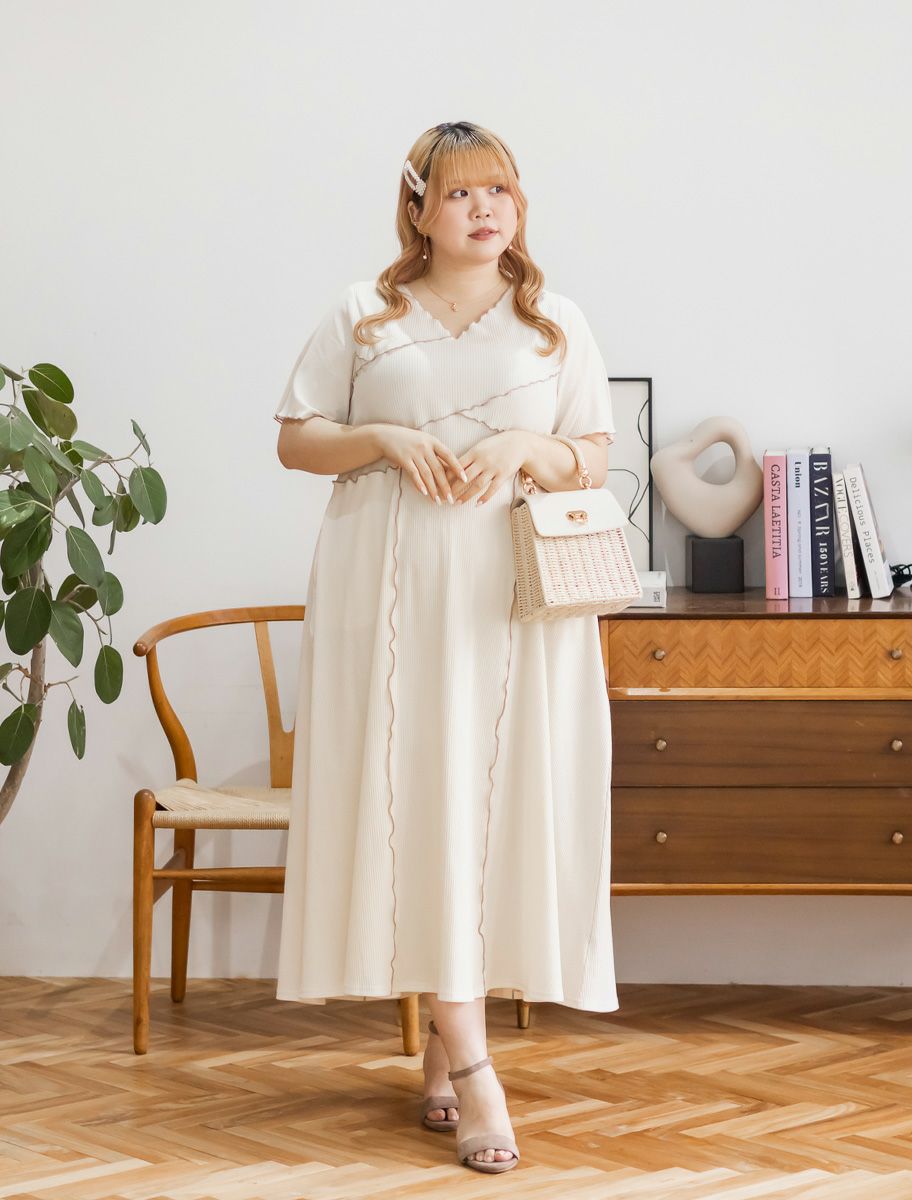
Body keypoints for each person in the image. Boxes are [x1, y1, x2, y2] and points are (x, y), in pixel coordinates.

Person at [272, 120, 619, 1175]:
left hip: (509, 604)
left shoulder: (554, 322)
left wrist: (527, 445)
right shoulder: (362, 315)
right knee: (416, 804)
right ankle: (474, 1070)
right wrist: (381, 438)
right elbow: (295, 439)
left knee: (489, 814)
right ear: (417, 207)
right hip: (387, 596)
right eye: (462, 192)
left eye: (500, 191)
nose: (484, 210)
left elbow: (594, 456)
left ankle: (444, 1050)